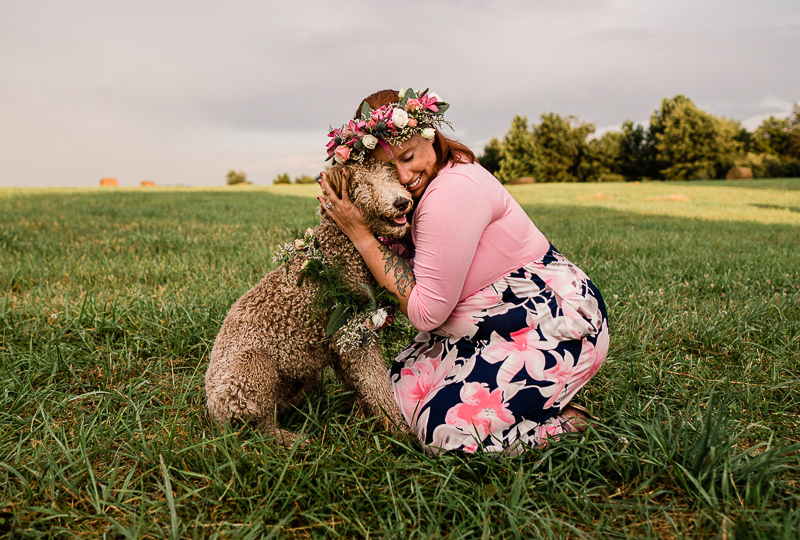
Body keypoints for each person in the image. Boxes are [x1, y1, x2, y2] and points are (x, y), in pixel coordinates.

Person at [318, 87, 608, 455]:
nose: (405, 176)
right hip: (492, 326)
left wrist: (360, 235)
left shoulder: (449, 194)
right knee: (395, 397)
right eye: (389, 170)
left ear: (430, 136)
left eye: (409, 157)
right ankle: (525, 403)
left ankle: (567, 423)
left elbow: (427, 312)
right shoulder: (432, 183)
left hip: (549, 325)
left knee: (444, 432)